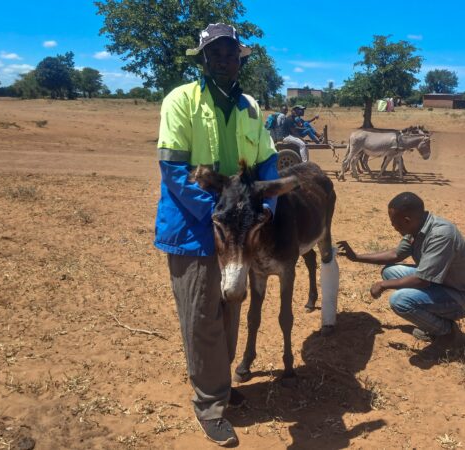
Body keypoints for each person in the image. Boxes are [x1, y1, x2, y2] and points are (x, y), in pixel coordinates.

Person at [155, 23, 279, 447]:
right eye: (215, 53)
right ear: (203, 59)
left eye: (231, 53)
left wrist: (267, 207)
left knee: (230, 308)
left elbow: (267, 163)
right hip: (193, 228)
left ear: (239, 59)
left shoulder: (249, 107)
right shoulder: (181, 101)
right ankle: (209, 404)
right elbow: (173, 170)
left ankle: (220, 386)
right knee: (201, 316)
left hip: (239, 231)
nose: (223, 60)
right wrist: (222, 213)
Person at [337, 192, 465, 353]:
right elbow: (396, 255)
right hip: (443, 284)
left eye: (394, 222)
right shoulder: (417, 227)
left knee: (400, 301)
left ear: (407, 220)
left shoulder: (441, 235)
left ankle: (448, 333)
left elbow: (422, 281)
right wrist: (356, 257)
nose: (392, 226)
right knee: (390, 272)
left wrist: (383, 285)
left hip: (463, 297)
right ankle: (435, 322)